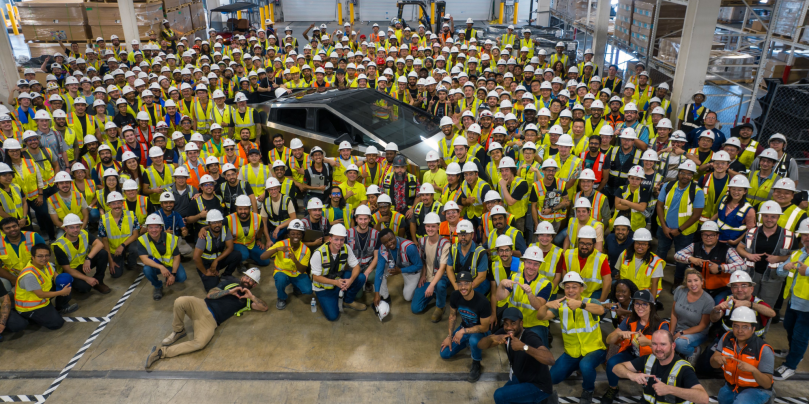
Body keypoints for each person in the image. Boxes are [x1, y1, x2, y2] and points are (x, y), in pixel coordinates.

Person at [145, 268, 267, 368]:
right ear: (242, 277)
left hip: (211, 321)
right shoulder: (230, 283)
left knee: (200, 343)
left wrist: (251, 297)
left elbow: (264, 307)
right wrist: (229, 292)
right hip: (201, 305)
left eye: (251, 280)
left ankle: (160, 353)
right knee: (180, 301)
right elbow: (210, 294)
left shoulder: (247, 300)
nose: (247, 281)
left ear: (254, 285)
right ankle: (178, 331)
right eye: (246, 277)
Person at [541, 272, 607, 404]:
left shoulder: (589, 302)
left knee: (586, 365)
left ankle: (588, 390)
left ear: (582, 288)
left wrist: (581, 305)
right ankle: (576, 366)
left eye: (574, 287)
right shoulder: (560, 306)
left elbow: (601, 310)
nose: (570, 290)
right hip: (572, 352)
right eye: (567, 287)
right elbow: (541, 317)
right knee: (551, 378)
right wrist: (546, 305)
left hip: (594, 349)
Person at [601, 290, 671, 403]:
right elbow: (609, 340)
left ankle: (648, 392)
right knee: (612, 363)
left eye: (644, 304)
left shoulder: (661, 324)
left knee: (655, 379)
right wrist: (618, 333)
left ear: (651, 306)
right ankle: (613, 388)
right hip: (632, 353)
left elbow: (668, 347)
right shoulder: (630, 320)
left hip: (651, 358)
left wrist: (649, 342)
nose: (640, 307)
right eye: (637, 303)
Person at [477, 307, 555, 404]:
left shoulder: (530, 337)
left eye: (513, 323)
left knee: (500, 395)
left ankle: (544, 399)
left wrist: (524, 347)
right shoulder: (505, 333)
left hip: (539, 386)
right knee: (506, 393)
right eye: (506, 323)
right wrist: (492, 338)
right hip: (522, 377)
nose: (509, 327)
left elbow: (550, 359)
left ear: (521, 323)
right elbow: (480, 345)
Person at [611, 330, 709, 404]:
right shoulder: (648, 359)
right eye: (654, 344)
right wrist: (631, 375)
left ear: (673, 346)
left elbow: (703, 398)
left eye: (663, 344)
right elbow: (616, 368)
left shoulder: (684, 368)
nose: (658, 349)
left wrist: (670, 389)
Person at [710, 306, 775, 404]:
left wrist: (753, 370)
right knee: (722, 399)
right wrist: (716, 359)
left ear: (753, 329)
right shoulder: (726, 338)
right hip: (731, 386)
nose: (740, 331)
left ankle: (767, 399)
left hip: (757, 389)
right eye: (736, 326)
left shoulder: (763, 349)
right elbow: (713, 364)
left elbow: (766, 384)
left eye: (745, 327)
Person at [737, 200, 795, 308]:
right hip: (751, 275)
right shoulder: (751, 232)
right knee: (745, 305)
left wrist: (778, 258)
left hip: (773, 279)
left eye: (773, 216)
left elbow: (794, 256)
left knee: (765, 309)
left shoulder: (789, 236)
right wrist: (748, 255)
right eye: (766, 216)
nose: (769, 219)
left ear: (778, 217)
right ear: (761, 216)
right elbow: (740, 247)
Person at [656, 160, 704, 287]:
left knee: (681, 260)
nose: (685, 176)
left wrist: (679, 230)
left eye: (689, 174)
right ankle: (655, 280)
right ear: (678, 173)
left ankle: (677, 284)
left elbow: (696, 215)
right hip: (664, 229)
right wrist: (664, 227)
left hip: (685, 233)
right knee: (660, 254)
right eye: (683, 173)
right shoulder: (667, 186)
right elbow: (659, 206)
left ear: (692, 176)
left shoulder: (697, 191)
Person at [440, 271, 492, 383]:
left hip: (480, 332)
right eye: (460, 284)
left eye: (466, 283)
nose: (463, 287)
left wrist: (463, 331)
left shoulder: (482, 301)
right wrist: (450, 336)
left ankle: (476, 362)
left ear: (472, 284)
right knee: (444, 354)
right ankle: (468, 343)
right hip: (464, 327)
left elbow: (485, 327)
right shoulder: (455, 296)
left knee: (474, 340)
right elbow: (452, 316)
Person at [675, 220, 746, 304]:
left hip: (720, 290)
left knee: (717, 306)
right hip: (697, 288)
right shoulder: (694, 246)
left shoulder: (727, 250)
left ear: (717, 236)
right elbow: (677, 255)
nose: (708, 237)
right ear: (701, 235)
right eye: (705, 234)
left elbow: (742, 265)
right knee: (681, 296)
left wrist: (721, 267)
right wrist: (691, 259)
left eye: (712, 235)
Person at [496, 246, 553, 347]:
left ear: (540, 265)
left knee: (541, 351)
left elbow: (539, 306)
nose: (531, 267)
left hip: (536, 324)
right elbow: (500, 297)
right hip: (515, 323)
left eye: (535, 264)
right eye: (529, 262)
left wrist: (530, 294)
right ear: (524, 262)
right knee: (502, 343)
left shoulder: (546, 283)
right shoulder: (514, 277)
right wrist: (501, 285)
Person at [310, 224, 368, 321]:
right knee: (333, 316)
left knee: (360, 277)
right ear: (330, 239)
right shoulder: (318, 254)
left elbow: (356, 266)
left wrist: (350, 280)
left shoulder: (346, 248)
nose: (339, 242)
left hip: (338, 281)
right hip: (323, 287)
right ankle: (326, 298)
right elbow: (315, 277)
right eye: (336, 239)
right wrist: (335, 283)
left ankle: (347, 301)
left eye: (342, 239)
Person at [774, 218, 809, 380]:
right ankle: (794, 351)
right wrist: (784, 267)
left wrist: (807, 271)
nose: (807, 238)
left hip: (807, 306)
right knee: (789, 327)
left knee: (800, 336)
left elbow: (805, 271)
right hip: (793, 301)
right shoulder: (797, 253)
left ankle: (791, 365)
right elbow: (780, 271)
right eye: (804, 235)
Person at [13, 243, 77, 329]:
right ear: (32, 257)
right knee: (57, 324)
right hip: (30, 307)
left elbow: (55, 276)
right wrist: (61, 292)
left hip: (42, 299)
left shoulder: (47, 265)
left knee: (65, 282)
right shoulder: (29, 275)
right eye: (40, 256)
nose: (44, 258)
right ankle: (28, 318)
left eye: (47, 255)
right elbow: (41, 294)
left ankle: (60, 307)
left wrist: (63, 282)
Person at [53, 213, 110, 295]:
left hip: (84, 262)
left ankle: (99, 281)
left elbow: (100, 244)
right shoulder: (59, 246)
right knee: (85, 288)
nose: (75, 230)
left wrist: (88, 259)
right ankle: (74, 283)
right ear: (65, 229)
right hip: (71, 269)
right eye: (71, 227)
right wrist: (87, 278)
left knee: (103, 253)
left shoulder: (83, 233)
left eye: (77, 226)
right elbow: (67, 269)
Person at [261, 219, 312, 310]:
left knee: (308, 290)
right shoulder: (281, 244)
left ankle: (296, 286)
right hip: (282, 273)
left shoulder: (306, 250)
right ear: (289, 234)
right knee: (281, 280)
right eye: (293, 234)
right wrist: (276, 249)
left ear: (302, 236)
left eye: (299, 234)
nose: (296, 236)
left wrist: (295, 260)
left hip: (297, 274)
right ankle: (281, 298)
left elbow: (302, 270)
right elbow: (262, 257)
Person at [138, 213, 187, 300]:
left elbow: (176, 257)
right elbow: (145, 260)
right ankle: (158, 286)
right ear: (147, 229)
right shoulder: (142, 240)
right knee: (147, 269)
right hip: (156, 265)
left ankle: (169, 277)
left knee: (182, 277)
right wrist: (160, 267)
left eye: (156, 227)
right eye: (150, 227)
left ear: (161, 228)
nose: (154, 230)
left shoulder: (171, 238)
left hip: (170, 264)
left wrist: (173, 274)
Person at [670, 269, 714, 363]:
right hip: (678, 327)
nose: (693, 284)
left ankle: (693, 351)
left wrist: (681, 333)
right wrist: (671, 332)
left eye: (696, 280)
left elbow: (702, 326)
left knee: (679, 344)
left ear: (702, 282)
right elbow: (674, 313)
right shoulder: (680, 290)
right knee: (661, 336)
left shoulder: (708, 301)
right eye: (689, 281)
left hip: (697, 332)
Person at [374, 228, 423, 311]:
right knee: (379, 273)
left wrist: (400, 271)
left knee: (408, 297)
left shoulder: (409, 247)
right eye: (385, 242)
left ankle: (420, 286)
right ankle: (385, 297)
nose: (389, 243)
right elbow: (379, 272)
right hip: (397, 266)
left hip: (412, 270)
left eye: (391, 239)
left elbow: (419, 265)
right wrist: (376, 293)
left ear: (394, 235)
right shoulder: (382, 249)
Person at [193, 209, 242, 292]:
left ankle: (226, 275)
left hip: (217, 261)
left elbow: (230, 248)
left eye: (219, 222)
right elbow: (196, 257)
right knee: (212, 288)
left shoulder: (225, 230)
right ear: (209, 224)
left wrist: (216, 261)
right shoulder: (204, 235)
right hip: (206, 264)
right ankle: (208, 274)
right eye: (213, 223)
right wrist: (205, 272)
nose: (217, 225)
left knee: (237, 255)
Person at [563, 225, 611, 300]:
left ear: (594, 244)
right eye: (582, 243)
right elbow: (564, 275)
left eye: (588, 244)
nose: (584, 247)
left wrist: (601, 300)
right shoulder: (568, 254)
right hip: (574, 291)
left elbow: (608, 281)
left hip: (593, 293)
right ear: (578, 242)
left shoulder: (601, 258)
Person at [99, 191, 140, 278]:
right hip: (114, 250)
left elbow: (135, 235)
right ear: (109, 205)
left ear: (122, 203)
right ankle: (120, 258)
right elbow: (105, 241)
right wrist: (110, 261)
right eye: (113, 203)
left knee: (136, 248)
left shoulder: (131, 215)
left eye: (118, 203)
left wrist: (122, 245)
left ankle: (130, 262)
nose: (116, 206)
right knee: (115, 274)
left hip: (127, 245)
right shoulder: (103, 219)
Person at [615, 228, 665, 297]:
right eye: (638, 243)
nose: (640, 246)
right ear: (634, 244)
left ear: (648, 246)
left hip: (643, 296)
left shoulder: (655, 262)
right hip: (625, 294)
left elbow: (654, 284)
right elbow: (619, 275)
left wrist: (651, 303)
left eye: (644, 244)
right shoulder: (624, 254)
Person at [446, 219, 489, 295]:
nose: (463, 237)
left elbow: (481, 277)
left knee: (469, 302)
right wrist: (457, 288)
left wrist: (466, 289)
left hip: (477, 283)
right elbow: (449, 270)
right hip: (460, 284)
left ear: (472, 235)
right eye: (460, 234)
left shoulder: (481, 252)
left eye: (466, 234)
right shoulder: (453, 248)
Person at [0, 216, 45, 286]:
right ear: (3, 231)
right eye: (7, 228)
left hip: (35, 270)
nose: (12, 229)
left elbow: (44, 258)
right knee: (3, 284)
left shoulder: (34, 236)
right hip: (12, 274)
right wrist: (13, 279)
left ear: (19, 226)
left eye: (14, 226)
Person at [226, 194, 269, 266]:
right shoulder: (229, 219)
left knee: (265, 261)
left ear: (250, 208)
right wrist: (204, 229)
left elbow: (261, 228)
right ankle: (240, 261)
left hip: (251, 243)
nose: (243, 211)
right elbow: (216, 226)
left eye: (245, 208)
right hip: (237, 244)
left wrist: (258, 239)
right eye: (240, 209)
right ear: (236, 209)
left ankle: (248, 256)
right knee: (243, 255)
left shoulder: (257, 217)